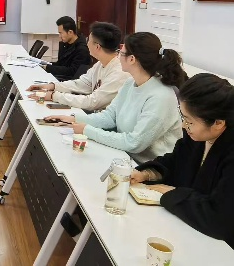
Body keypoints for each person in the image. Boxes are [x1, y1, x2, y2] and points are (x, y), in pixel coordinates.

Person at [46, 32, 187, 163]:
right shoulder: (130, 83)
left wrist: (86, 130)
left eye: (121, 52)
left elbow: (134, 143)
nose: (117, 56)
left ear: (132, 59)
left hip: (150, 167)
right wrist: (74, 119)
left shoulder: (160, 97)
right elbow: (109, 117)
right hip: (125, 156)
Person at [131, 73, 234, 248]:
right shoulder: (198, 135)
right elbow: (176, 161)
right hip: (186, 229)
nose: (183, 126)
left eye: (189, 121)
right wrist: (147, 174)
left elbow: (219, 217)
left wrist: (173, 193)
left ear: (218, 123)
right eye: (183, 117)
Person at [27, 22, 128, 111]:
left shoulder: (119, 72)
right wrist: (53, 86)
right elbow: (83, 84)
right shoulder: (101, 63)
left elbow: (92, 102)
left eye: (88, 40)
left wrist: (54, 96)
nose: (86, 43)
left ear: (97, 47)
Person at [44, 16, 91, 81]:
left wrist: (48, 68)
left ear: (70, 32)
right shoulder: (65, 44)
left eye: (61, 33)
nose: (59, 36)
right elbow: (60, 63)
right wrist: (46, 64)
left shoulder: (82, 49)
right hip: (61, 77)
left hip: (69, 81)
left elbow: (72, 71)